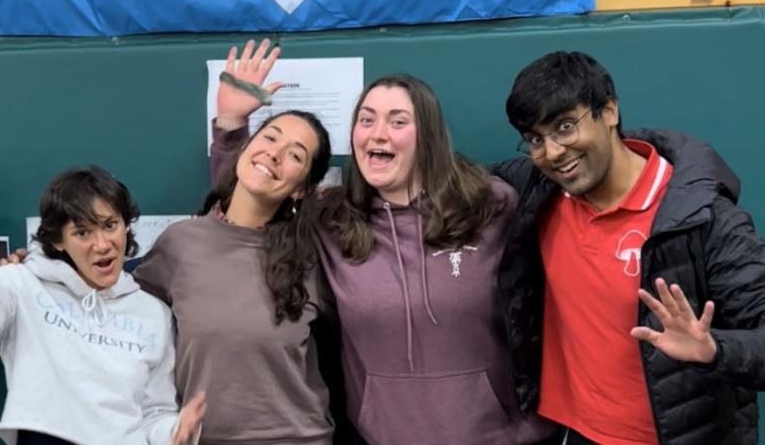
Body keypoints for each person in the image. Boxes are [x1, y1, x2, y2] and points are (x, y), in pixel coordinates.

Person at [209, 41, 555, 445]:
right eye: (366, 120)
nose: (378, 133)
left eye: (397, 121)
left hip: (503, 438)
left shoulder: (491, 204)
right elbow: (248, 205)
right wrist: (231, 125)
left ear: (426, 136)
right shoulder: (330, 220)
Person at [498, 50, 765, 445]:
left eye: (566, 127)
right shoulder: (539, 191)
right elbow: (454, 180)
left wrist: (713, 349)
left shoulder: (704, 219)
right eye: (536, 139)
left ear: (608, 111)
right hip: (573, 433)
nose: (552, 152)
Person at [0, 124, 205, 445]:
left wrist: (177, 433)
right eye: (82, 232)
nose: (102, 244)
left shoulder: (152, 313)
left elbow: (154, 413)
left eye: (110, 225)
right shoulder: (21, 284)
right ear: (59, 241)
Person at [134, 101, 335, 445]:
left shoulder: (313, 258)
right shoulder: (180, 244)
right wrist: (35, 269)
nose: (274, 154)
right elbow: (112, 310)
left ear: (301, 188)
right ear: (246, 146)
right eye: (270, 138)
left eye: (295, 155)